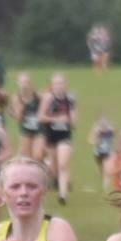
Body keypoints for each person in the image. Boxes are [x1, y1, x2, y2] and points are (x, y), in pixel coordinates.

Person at [38, 74, 75, 205]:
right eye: (56, 83)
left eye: (61, 83)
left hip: (65, 135)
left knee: (63, 164)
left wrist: (71, 120)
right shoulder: (48, 98)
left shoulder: (70, 99)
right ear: (52, 85)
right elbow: (41, 117)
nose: (59, 86)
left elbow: (74, 120)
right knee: (54, 167)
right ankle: (52, 175)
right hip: (51, 135)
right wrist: (56, 118)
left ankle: (63, 195)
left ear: (65, 84)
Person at [10, 73, 43, 160]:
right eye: (22, 82)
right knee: (27, 157)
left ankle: (44, 167)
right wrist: (20, 110)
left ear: (31, 83)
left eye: (26, 82)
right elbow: (19, 119)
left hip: (39, 129)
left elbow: (45, 109)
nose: (24, 85)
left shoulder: (38, 96)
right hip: (26, 129)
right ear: (18, 83)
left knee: (37, 155)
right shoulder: (17, 98)